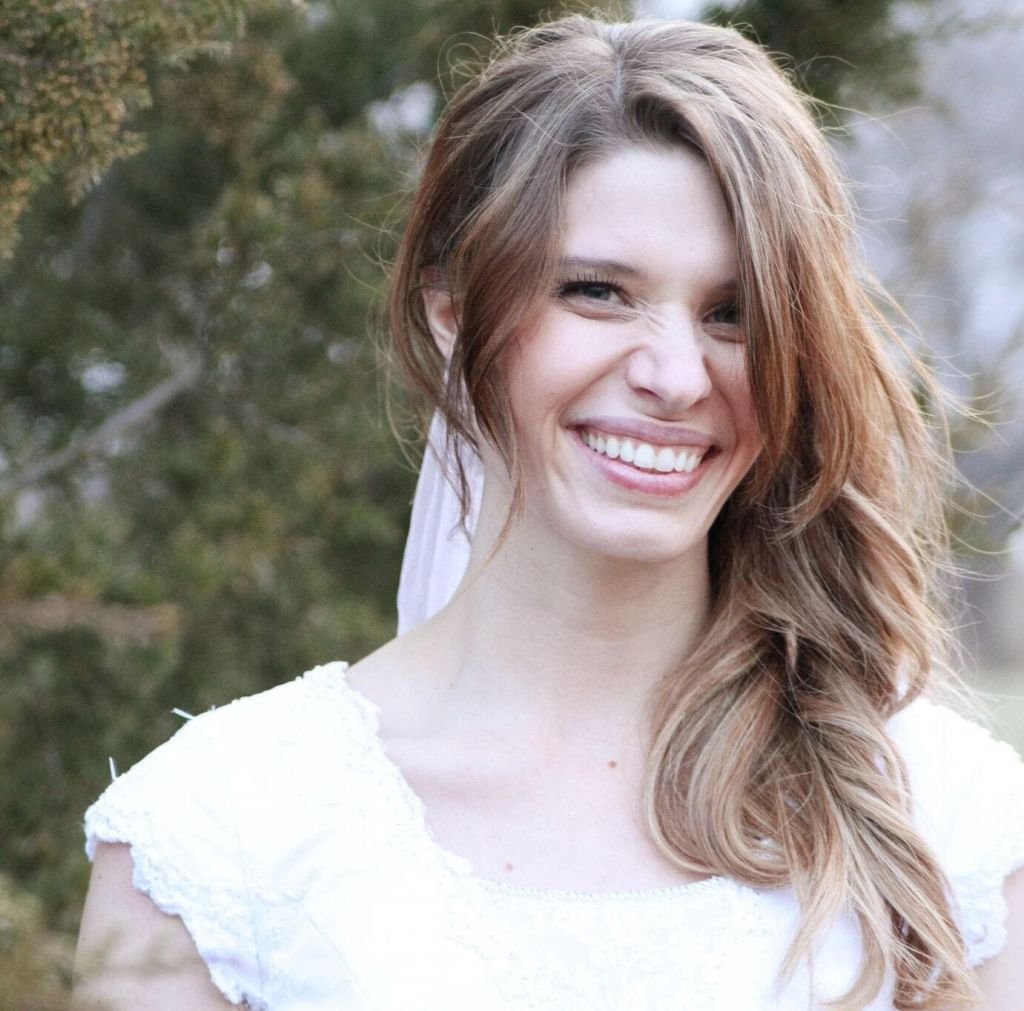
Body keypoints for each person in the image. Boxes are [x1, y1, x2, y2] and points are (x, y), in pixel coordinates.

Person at [71, 14, 1024, 1011]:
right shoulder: (222, 839)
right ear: (452, 310)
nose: (672, 375)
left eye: (731, 314)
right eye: (598, 292)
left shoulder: (945, 826)